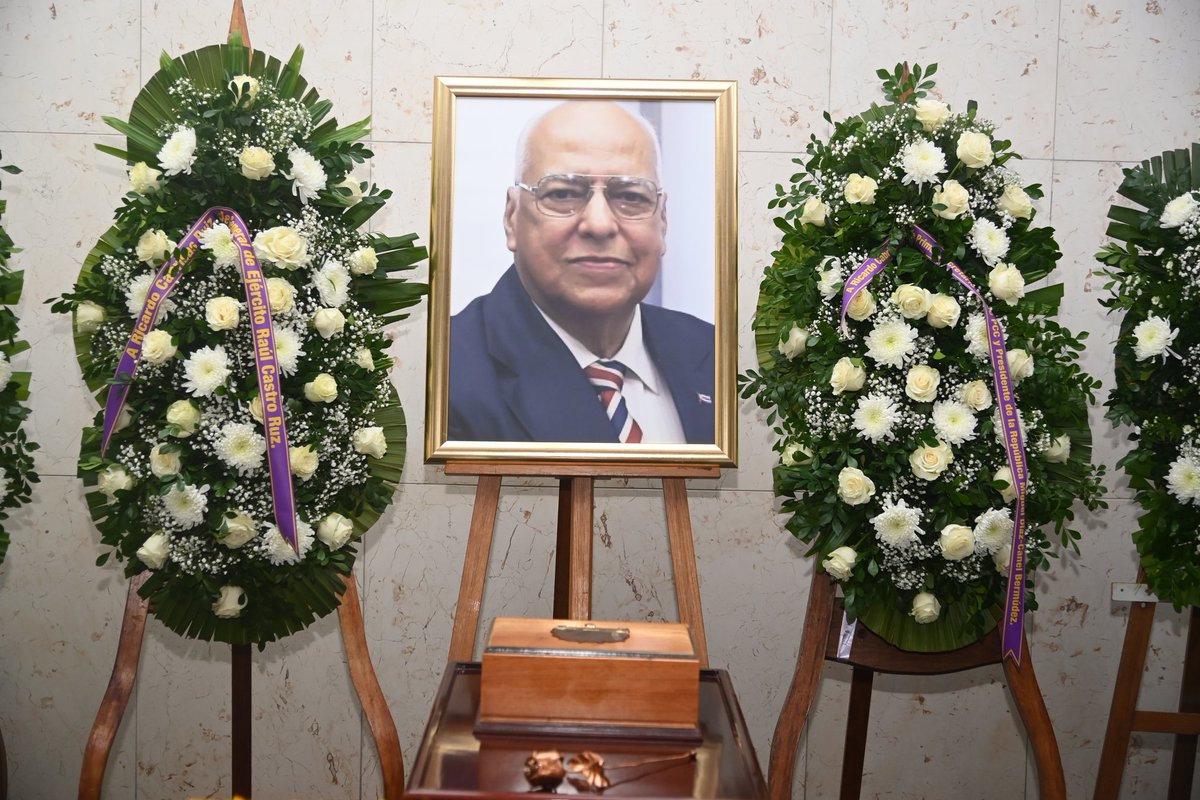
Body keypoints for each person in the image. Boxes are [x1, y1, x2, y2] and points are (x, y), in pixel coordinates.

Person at [448, 100, 715, 444]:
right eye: (562, 193)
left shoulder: (717, 359)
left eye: (631, 197)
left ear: (662, 221)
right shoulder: (444, 374)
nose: (600, 224)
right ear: (511, 217)